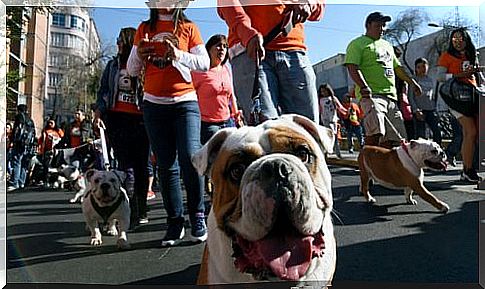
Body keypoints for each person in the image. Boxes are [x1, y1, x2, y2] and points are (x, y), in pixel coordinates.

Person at [127, 5, 209, 246]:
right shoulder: (144, 28)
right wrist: (139, 54)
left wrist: (178, 55)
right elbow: (132, 70)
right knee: (166, 165)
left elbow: (204, 63)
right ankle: (175, 222)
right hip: (154, 104)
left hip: (185, 102)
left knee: (191, 158)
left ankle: (197, 216)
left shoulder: (188, 27)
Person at [217, 0, 324, 124]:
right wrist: (246, 31)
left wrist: (309, 4)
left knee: (307, 128)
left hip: (294, 49)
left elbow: (319, 6)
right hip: (249, 51)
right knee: (265, 130)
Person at [95, 27, 150, 229]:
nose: (117, 42)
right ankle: (129, 210)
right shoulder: (112, 66)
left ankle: (142, 207)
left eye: (120, 39)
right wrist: (99, 112)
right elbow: (104, 91)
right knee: (125, 167)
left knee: (142, 168)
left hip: (141, 120)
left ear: (128, 41)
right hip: (117, 119)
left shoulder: (143, 63)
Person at [344, 12, 422, 148]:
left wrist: (412, 82)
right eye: (378, 25)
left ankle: (384, 167)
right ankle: (366, 162)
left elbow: (397, 68)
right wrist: (363, 86)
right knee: (376, 131)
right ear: (368, 25)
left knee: (396, 139)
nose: (382, 28)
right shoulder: (357, 44)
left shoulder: (387, 46)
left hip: (391, 98)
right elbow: (352, 66)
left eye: (384, 25)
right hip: (372, 95)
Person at [436, 27, 481, 183]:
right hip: (456, 98)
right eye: (454, 38)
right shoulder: (446, 56)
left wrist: (478, 71)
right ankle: (468, 170)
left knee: (477, 133)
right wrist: (458, 75)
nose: (457, 41)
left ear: (466, 40)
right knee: (471, 131)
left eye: (460, 38)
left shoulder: (472, 55)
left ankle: (470, 167)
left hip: (473, 96)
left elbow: (477, 77)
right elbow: (440, 77)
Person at [192, 34, 242, 144]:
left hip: (228, 122)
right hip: (208, 125)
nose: (222, 49)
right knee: (214, 158)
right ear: (209, 49)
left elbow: (231, 95)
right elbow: (190, 97)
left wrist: (236, 116)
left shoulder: (226, 69)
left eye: (225, 46)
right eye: (218, 46)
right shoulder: (198, 71)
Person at [409, 57, 442, 145]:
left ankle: (436, 152)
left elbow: (432, 95)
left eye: (424, 66)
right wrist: (416, 110)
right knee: (421, 135)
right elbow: (410, 97)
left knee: (437, 132)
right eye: (419, 67)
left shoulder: (430, 79)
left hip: (431, 110)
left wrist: (435, 109)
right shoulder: (413, 80)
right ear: (416, 68)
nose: (422, 69)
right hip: (419, 111)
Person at [8, 105, 37, 191]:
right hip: (28, 145)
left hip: (19, 143)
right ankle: (22, 182)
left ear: (19, 110)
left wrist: (12, 140)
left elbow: (16, 130)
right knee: (24, 163)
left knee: (16, 162)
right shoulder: (30, 120)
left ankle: (14, 183)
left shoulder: (20, 117)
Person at [318, 83, 343, 158]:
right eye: (322, 91)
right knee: (327, 136)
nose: (323, 93)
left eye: (325, 91)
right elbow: (319, 110)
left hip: (333, 120)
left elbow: (340, 107)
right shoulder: (320, 100)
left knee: (334, 136)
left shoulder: (333, 98)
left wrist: (346, 112)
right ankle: (328, 152)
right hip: (325, 120)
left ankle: (337, 152)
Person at [38, 118, 64, 185]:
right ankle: (45, 180)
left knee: (55, 165)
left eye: (52, 123)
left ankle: (54, 180)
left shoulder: (57, 131)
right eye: (49, 123)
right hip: (47, 150)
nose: (50, 124)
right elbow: (41, 140)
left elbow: (62, 136)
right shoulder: (46, 130)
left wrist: (58, 130)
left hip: (56, 151)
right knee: (46, 165)